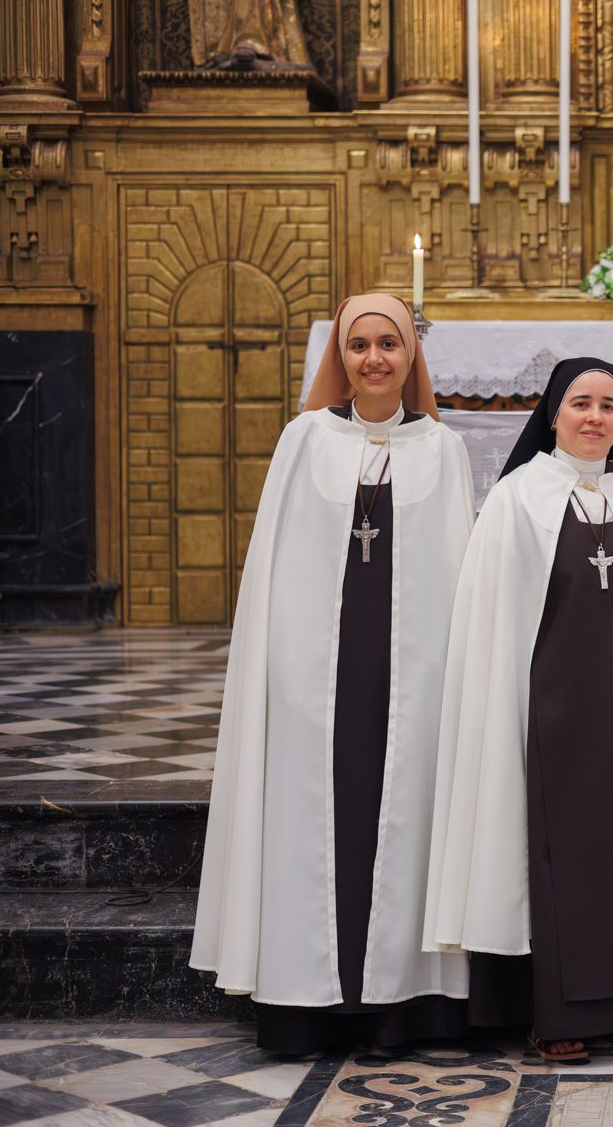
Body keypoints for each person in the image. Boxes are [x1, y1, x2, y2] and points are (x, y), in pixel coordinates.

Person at [192, 294, 474, 1053]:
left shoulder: (444, 450)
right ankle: (302, 1004)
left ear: (411, 355)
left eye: (390, 344)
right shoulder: (303, 439)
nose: (375, 358)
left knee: (405, 824)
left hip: (411, 679)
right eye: (360, 345)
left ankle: (400, 1004)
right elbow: (275, 572)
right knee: (313, 824)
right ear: (339, 357)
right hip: (316, 679)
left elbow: (458, 574)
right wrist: (284, 672)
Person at [423, 358, 613, 1063]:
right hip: (545, 710)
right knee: (552, 852)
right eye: (581, 403)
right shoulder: (520, 495)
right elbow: (494, 618)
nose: (595, 417)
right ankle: (553, 1013)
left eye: (609, 405)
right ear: (553, 414)